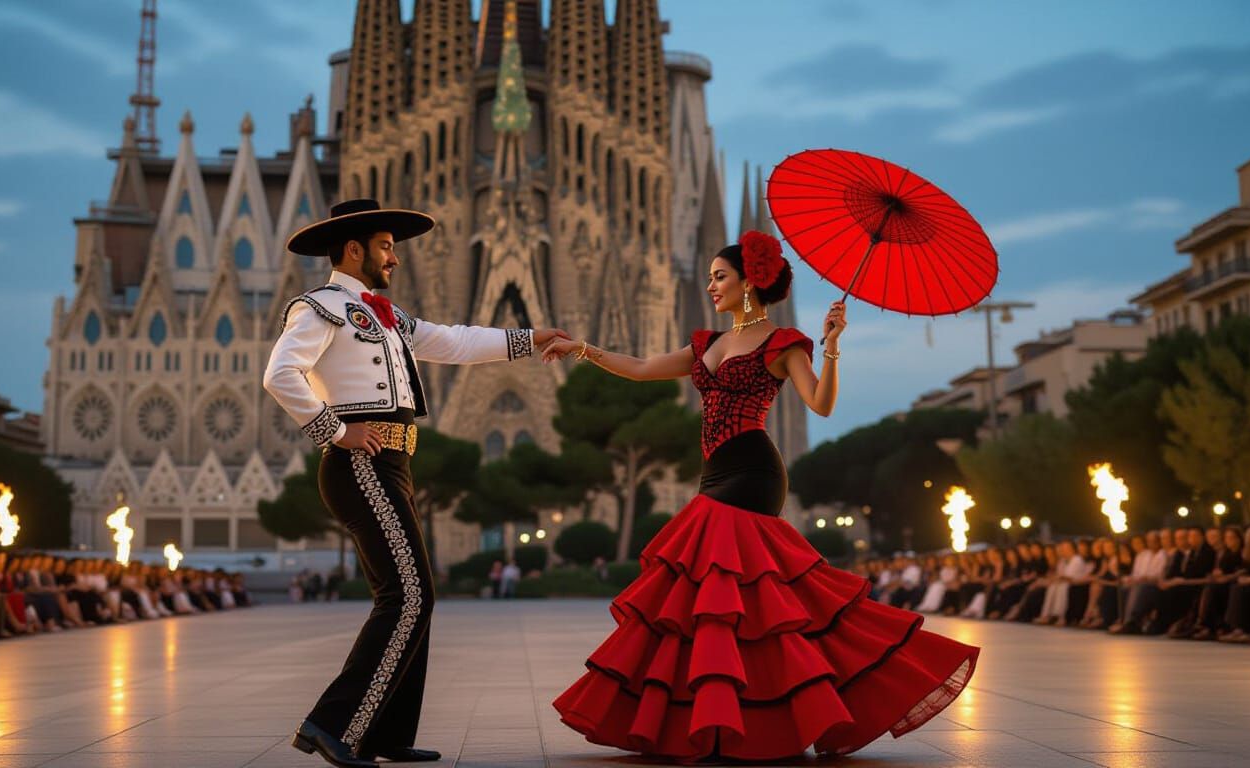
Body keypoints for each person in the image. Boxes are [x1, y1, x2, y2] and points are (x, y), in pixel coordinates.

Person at [543, 232, 978, 761]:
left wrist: (833, 345)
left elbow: (820, 404)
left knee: (720, 589)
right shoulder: (707, 343)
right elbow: (640, 368)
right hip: (713, 474)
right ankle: (734, 719)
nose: (710, 286)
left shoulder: (784, 344)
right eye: (709, 276)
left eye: (720, 276)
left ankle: (745, 714)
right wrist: (581, 350)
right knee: (731, 600)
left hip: (753, 472)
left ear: (750, 283)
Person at [265, 198, 567, 767]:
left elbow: (453, 342)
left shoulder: (385, 314)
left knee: (411, 597)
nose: (394, 259)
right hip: (362, 464)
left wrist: (530, 339)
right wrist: (336, 430)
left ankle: (384, 733)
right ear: (353, 249)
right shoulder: (320, 307)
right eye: (385, 247)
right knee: (409, 595)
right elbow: (280, 373)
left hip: (393, 465)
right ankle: (332, 725)